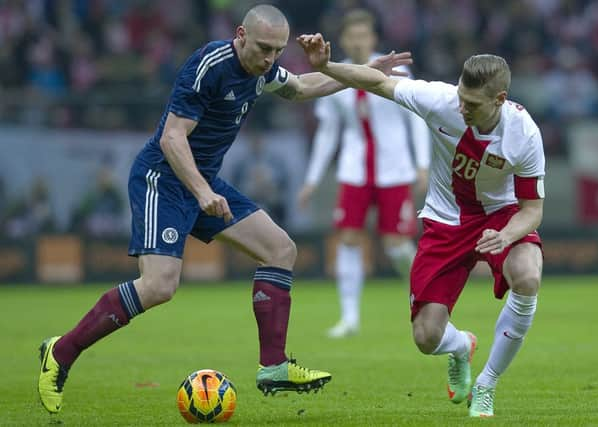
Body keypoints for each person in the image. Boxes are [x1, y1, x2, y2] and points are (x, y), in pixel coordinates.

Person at [37, 5, 412, 414]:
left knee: (281, 250)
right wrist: (200, 193)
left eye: (277, 51)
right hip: (163, 180)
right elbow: (171, 138)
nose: (269, 60)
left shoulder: (262, 70)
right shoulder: (210, 64)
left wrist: (362, 71)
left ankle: (273, 366)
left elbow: (302, 86)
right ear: (240, 35)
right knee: (160, 286)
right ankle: (61, 352)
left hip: (204, 181)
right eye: (264, 49)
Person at [298, 34, 544, 418]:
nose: (462, 107)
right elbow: (376, 82)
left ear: (499, 100)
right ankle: (461, 346)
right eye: (461, 96)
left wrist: (508, 234)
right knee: (427, 338)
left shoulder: (524, 134)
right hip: (446, 220)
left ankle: (487, 384)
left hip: (501, 216)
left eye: (473, 104)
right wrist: (325, 67)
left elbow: (531, 209)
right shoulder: (442, 100)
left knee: (527, 277)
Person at [297, 9, 430, 338]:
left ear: (372, 38)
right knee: (348, 239)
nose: (358, 41)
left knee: (397, 245)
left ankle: (425, 301)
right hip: (355, 169)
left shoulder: (394, 69)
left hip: (394, 168)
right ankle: (349, 317)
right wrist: (312, 178)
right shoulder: (332, 73)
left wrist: (422, 164)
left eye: (364, 35)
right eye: (352, 36)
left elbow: (416, 117)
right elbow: (328, 132)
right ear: (343, 39)